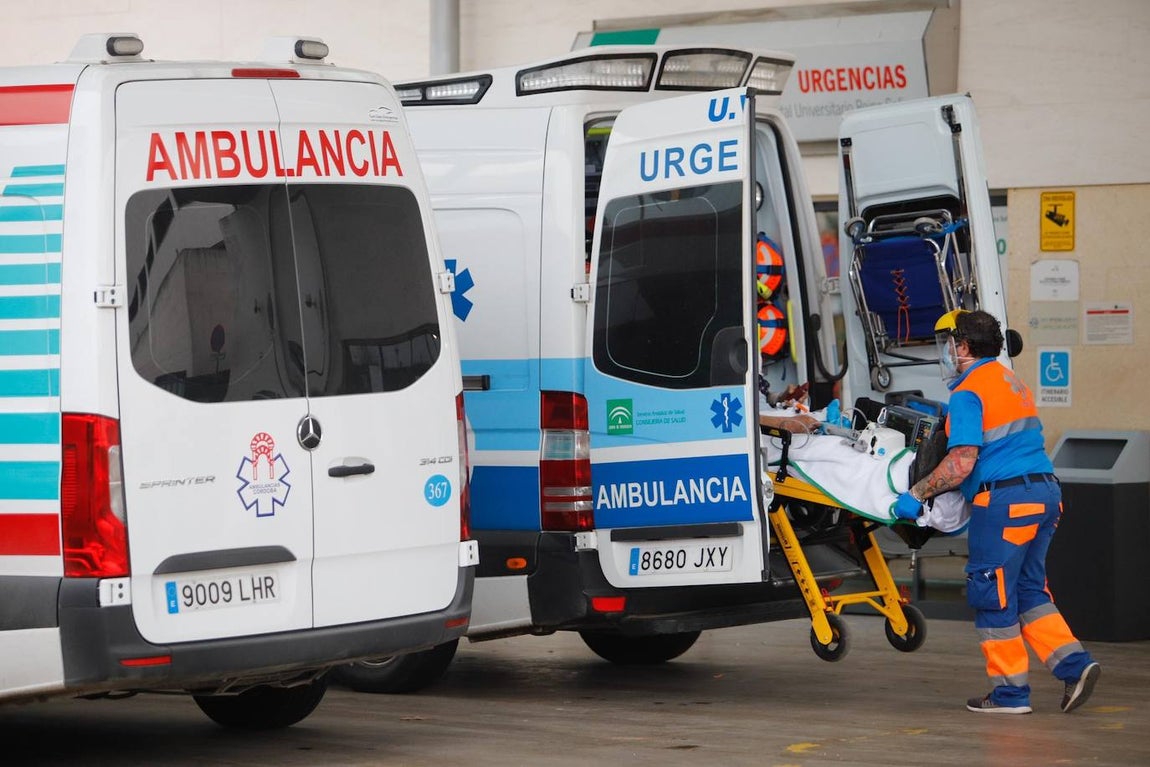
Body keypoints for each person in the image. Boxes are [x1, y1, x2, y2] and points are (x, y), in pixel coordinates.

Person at [892, 309, 1101, 715]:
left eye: (949, 345)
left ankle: (1010, 694)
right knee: (1028, 591)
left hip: (1004, 503)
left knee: (992, 595)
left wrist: (916, 494)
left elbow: (962, 461)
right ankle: (1075, 666)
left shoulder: (969, 390)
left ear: (964, 347)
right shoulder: (1010, 381)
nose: (947, 353)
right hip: (1045, 495)